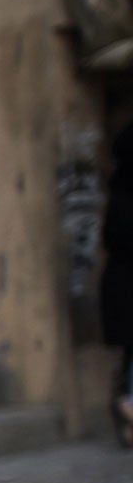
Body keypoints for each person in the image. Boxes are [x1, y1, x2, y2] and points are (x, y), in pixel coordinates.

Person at [100, 122, 133, 448]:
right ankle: (127, 410)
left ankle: (128, 422)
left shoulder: (119, 191)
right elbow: (119, 239)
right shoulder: (124, 195)